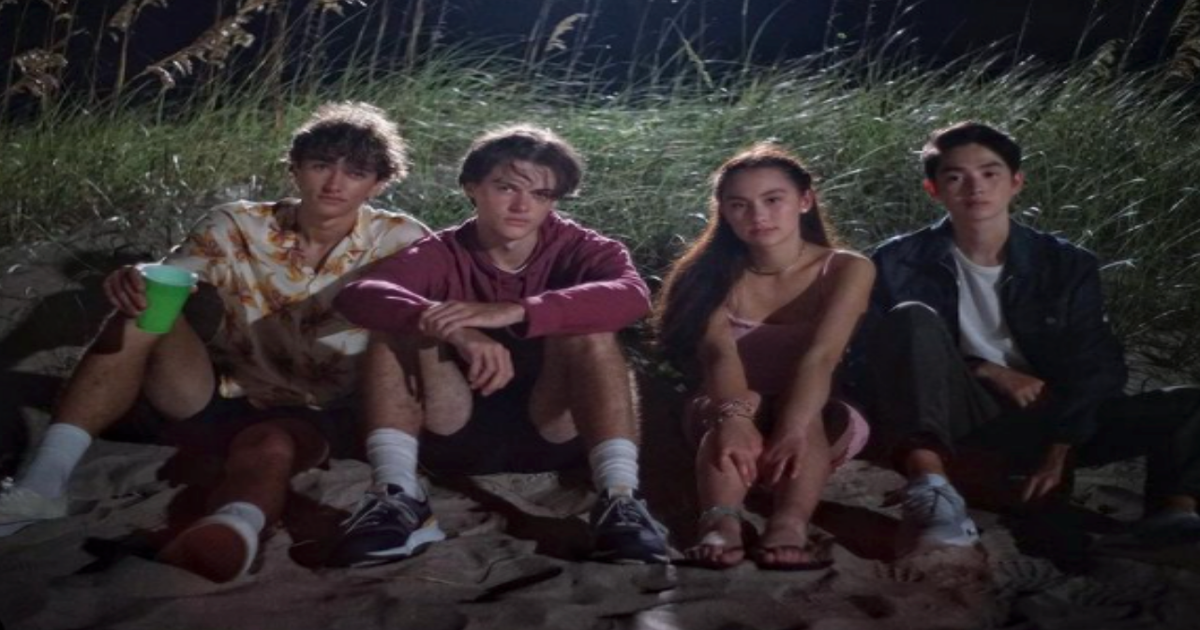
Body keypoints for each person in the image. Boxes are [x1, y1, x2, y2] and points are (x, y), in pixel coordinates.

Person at [0, 102, 430, 582]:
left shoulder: (400, 238)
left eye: (355, 172)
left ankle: (234, 527)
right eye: (320, 165)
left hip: (327, 409)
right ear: (294, 168)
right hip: (219, 394)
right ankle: (43, 484)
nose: (334, 183)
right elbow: (173, 277)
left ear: (378, 183)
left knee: (269, 445)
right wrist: (138, 275)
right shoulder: (238, 223)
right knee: (148, 303)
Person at [328, 124, 670, 566]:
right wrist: (451, 327)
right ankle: (397, 495)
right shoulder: (444, 251)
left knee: (592, 329)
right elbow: (360, 295)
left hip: (553, 428)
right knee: (398, 326)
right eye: (506, 187)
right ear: (472, 187)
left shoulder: (581, 247)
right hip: (455, 428)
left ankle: (620, 498)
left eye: (541, 194)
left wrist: (517, 311)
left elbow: (632, 295)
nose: (522, 206)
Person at [863, 121, 1200, 557]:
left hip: (1050, 412)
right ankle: (934, 487)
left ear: (1016, 182)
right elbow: (875, 355)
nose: (975, 188)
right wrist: (983, 369)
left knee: (1188, 404)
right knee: (911, 316)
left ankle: (1172, 516)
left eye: (990, 173)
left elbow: (1098, 364)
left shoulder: (1065, 263)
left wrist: (1060, 446)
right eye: (955, 176)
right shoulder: (898, 260)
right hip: (959, 411)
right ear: (934, 189)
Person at [653, 144, 874, 570]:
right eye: (740, 205)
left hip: (817, 412)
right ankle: (721, 522)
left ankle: (789, 523)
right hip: (723, 406)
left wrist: (793, 426)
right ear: (723, 212)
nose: (758, 215)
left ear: (804, 201)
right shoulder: (709, 273)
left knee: (802, 410)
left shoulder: (846, 268)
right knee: (746, 402)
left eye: (773, 200)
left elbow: (821, 356)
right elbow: (718, 354)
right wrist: (734, 418)